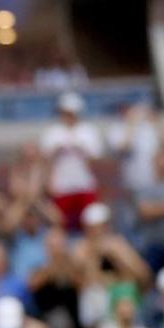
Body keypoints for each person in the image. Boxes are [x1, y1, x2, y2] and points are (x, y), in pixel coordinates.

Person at [40, 92, 103, 231]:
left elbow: (96, 159)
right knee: (62, 224)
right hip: (61, 187)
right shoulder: (52, 132)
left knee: (90, 222)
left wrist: (81, 149)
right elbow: (46, 161)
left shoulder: (88, 131)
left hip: (85, 185)